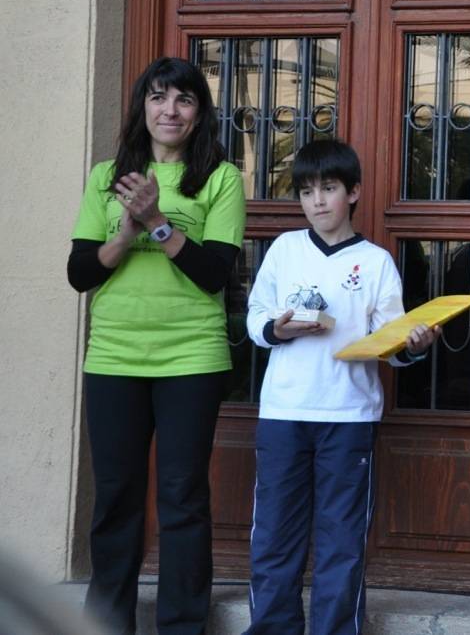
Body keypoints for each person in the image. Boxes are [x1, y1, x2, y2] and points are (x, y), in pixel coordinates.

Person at [67, 57, 247, 635]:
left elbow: (216, 273)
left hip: (191, 358)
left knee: (182, 496)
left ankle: (180, 626)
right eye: (158, 97)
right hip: (115, 356)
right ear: (142, 107)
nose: (169, 110)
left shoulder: (220, 179)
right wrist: (125, 231)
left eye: (184, 100)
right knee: (116, 496)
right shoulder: (104, 177)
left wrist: (159, 223)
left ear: (199, 114)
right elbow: (79, 273)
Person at [243, 139, 437, 635]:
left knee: (341, 537)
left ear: (353, 192)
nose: (317, 202)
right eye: (307, 192)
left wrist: (414, 342)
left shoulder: (374, 263)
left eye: (328, 189)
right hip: (284, 412)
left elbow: (390, 340)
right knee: (274, 534)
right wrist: (277, 329)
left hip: (349, 416)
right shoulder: (285, 250)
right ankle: (272, 627)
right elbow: (256, 317)